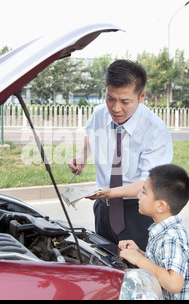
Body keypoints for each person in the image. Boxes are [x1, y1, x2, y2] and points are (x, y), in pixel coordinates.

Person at [68, 59, 173, 250]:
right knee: (104, 265)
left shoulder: (155, 131)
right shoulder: (99, 114)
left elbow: (147, 183)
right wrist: (82, 156)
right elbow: (91, 135)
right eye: (110, 98)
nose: (116, 108)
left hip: (139, 212)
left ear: (142, 96)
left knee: (138, 274)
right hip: (104, 210)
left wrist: (110, 192)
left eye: (125, 101)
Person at [119, 164, 189, 300]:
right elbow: (161, 264)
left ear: (160, 206)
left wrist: (139, 260)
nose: (138, 196)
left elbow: (174, 284)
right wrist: (139, 253)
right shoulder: (162, 230)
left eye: (144, 192)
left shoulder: (171, 238)